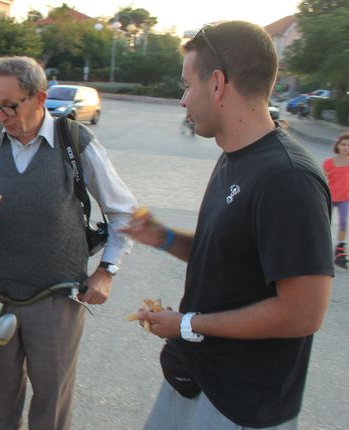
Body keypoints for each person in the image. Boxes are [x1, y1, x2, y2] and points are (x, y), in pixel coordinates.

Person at [121, 21, 332, 429]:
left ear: (217, 83)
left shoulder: (287, 179)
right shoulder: (235, 156)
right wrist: (163, 237)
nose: (183, 100)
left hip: (241, 407)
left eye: (186, 85)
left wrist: (185, 324)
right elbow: (230, 252)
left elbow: (303, 312)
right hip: (195, 382)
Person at [0, 56, 137, 430]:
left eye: (9, 105)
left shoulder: (75, 143)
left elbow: (124, 213)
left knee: (51, 404)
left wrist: (107, 271)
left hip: (56, 298)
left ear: (39, 98)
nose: (0, 114)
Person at [323, 132, 349, 269]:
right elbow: (324, 179)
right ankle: (323, 248)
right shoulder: (329, 163)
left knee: (344, 222)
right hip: (331, 197)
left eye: (348, 145)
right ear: (338, 145)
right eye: (343, 144)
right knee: (326, 223)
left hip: (345, 198)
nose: (346, 148)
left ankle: (340, 248)